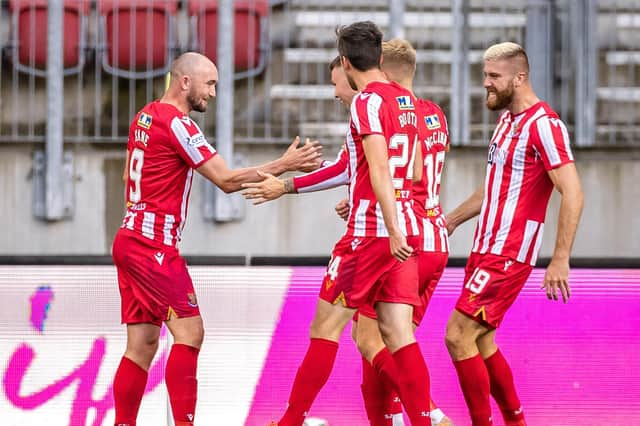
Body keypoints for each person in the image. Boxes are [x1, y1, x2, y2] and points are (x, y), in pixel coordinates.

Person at [110, 52, 321, 426]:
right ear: (185, 82)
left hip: (130, 238)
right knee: (190, 332)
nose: (213, 92)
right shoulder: (179, 125)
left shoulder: (146, 115)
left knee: (141, 345)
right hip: (152, 245)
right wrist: (282, 165)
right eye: (209, 84)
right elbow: (224, 180)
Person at [245, 21, 432, 426]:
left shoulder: (366, 102)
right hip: (406, 231)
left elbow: (378, 169)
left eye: (336, 82)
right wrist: (393, 214)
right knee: (397, 333)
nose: (335, 93)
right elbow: (413, 171)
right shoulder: (407, 101)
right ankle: (424, 417)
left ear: (346, 64)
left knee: (325, 328)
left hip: (371, 234)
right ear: (380, 57)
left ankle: (290, 421)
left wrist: (386, 219)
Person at [443, 42, 584, 426]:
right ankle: (515, 421)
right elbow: (493, 188)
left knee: (457, 336)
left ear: (519, 78)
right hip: (484, 247)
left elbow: (571, 191)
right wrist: (451, 220)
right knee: (481, 340)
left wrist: (560, 258)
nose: (486, 84)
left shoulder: (545, 125)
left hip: (508, 253)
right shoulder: (507, 122)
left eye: (493, 77)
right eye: (485, 75)